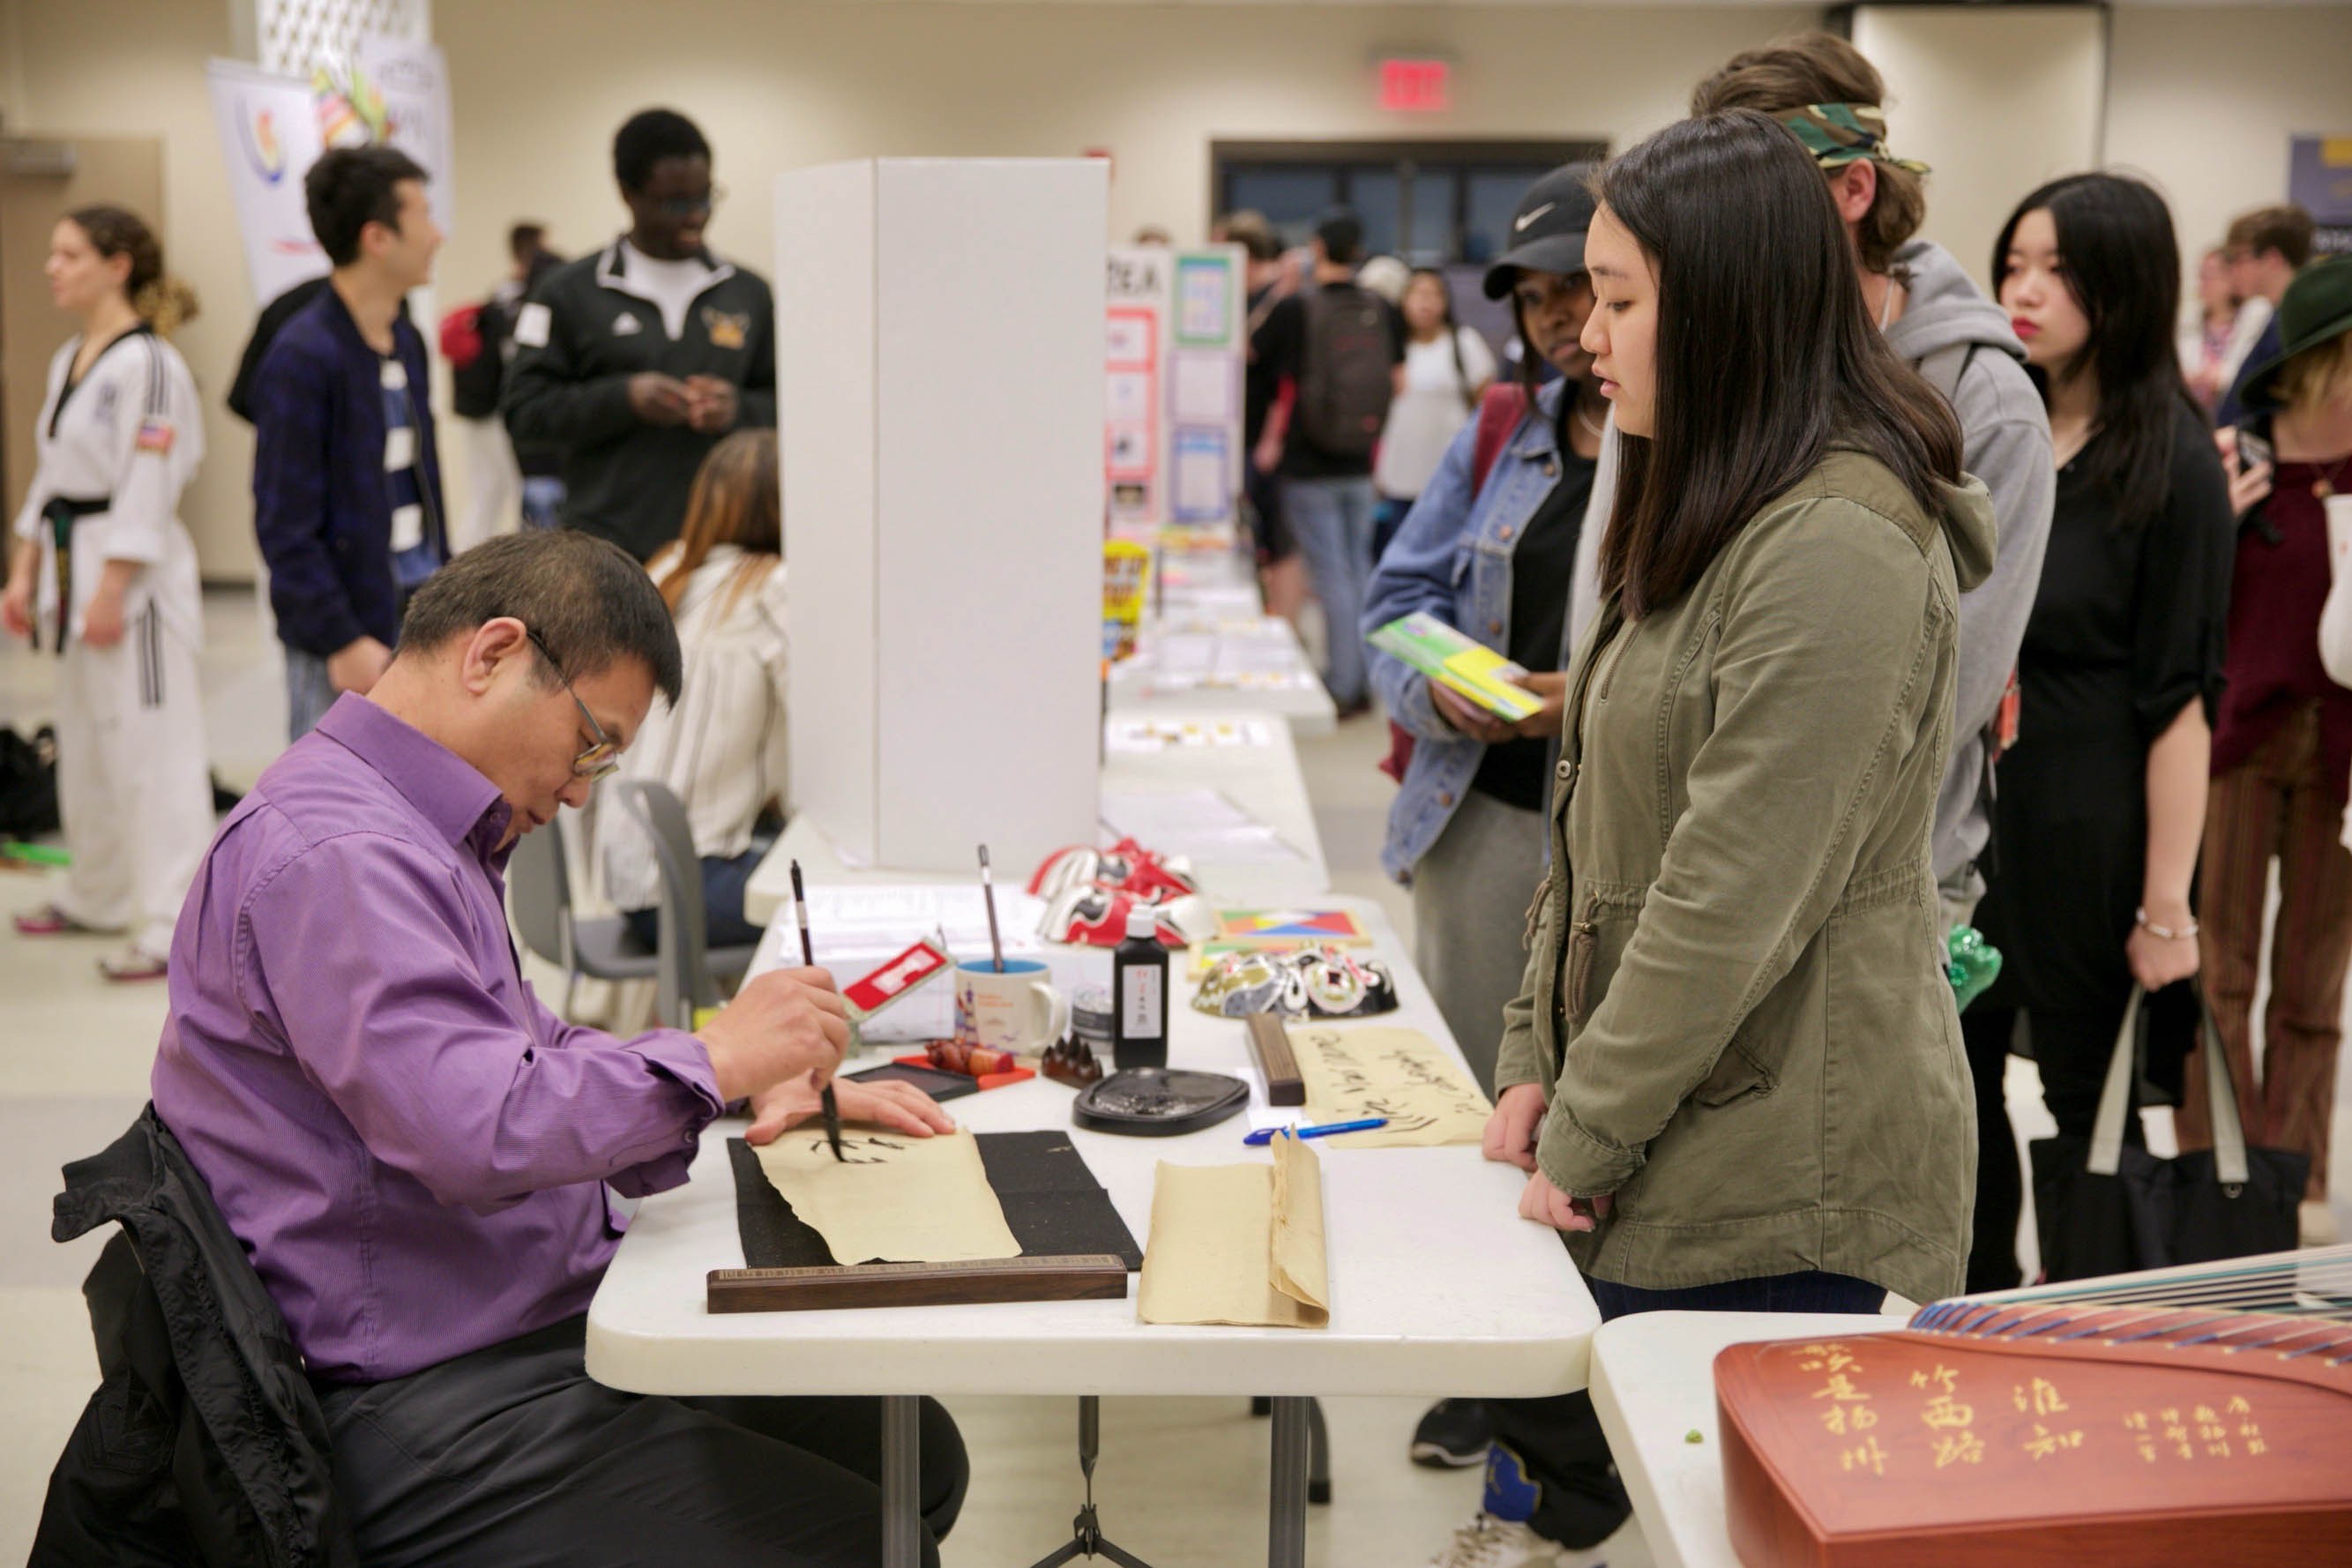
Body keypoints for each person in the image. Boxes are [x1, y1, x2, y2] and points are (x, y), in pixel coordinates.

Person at [148, 530, 970, 1566]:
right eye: (591, 742)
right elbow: (475, 1125)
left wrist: (727, 1078)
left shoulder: (411, 825)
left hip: (509, 1311)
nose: (583, 791)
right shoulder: (342, 854)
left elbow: (522, 1051)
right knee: (867, 1537)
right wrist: (711, 1060)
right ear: (492, 652)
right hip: (407, 1393)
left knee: (915, 1455)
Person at [1432, 110, 1990, 1568]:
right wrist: (1531, 1054)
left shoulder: (1839, 544)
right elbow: (1595, 825)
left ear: (1731, 300)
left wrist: (1592, 1121)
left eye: (1618, 299)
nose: (1588, 336)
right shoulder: (1705, 499)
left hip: (1786, 1180)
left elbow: (1727, 893)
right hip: (1670, 1129)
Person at [1364, 172, 1613, 1482]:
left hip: (1619, 840)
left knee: (1597, 1112)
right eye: (1537, 294)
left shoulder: (1687, 439)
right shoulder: (1504, 428)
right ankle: (1480, 1369)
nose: (1564, 317)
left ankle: (1574, 1381)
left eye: (1584, 286)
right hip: (1480, 815)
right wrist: (1445, 685)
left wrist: (1591, 702)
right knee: (1475, 1107)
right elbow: (1396, 593)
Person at [1964, 174, 2236, 1291]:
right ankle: (1971, 1313)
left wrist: (2167, 907)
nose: (2023, 290)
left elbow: (2182, 702)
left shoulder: (2171, 456)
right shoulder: (2004, 424)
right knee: (1960, 1086)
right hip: (1979, 819)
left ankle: (2089, 1334)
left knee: (2094, 1106)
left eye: (2057, 269)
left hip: (2096, 827)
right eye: (2015, 262)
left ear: (2120, 287)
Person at [2181, 254, 2352, 1247]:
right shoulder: (2235, 454)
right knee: (2222, 967)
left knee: (2315, 977)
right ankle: (2221, 1172)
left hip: (2343, 750)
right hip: (2240, 736)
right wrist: (2220, 522)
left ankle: (2298, 1178)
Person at [1, 205, 213, 982]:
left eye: (69, 254)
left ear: (117, 265)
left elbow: (149, 485)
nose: (52, 267)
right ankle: (97, 891)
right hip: (69, 564)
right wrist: (23, 571)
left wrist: (112, 587)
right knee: (86, 743)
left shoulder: (149, 363)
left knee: (153, 749)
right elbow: (52, 478)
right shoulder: (69, 359)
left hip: (135, 585)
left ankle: (172, 922)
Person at [504, 108, 777, 564]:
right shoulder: (569, 292)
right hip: (607, 551)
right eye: (674, 202)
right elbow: (524, 414)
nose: (694, 217)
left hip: (729, 549)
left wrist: (738, 409)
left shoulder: (749, 293)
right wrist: (623, 398)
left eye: (705, 198)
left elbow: (791, 407)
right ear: (628, 194)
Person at [250, 145, 449, 742]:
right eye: (423, 216)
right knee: (332, 809)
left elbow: (418, 482)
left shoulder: (404, 339)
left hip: (415, 609)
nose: (438, 235)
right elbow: (284, 523)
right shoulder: (302, 355)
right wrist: (339, 635)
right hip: (345, 628)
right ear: (377, 237)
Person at [596, 429, 788, 950]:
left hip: (630, 878)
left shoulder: (667, 569)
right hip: (692, 884)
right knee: (852, 898)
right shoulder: (775, 587)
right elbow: (826, 737)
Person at [1251, 208, 1407, 715]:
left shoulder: (1298, 307)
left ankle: (1344, 684)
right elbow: (1397, 383)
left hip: (1308, 462)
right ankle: (1361, 676)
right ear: (1358, 251)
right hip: (1360, 460)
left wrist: (1282, 287)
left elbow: (1252, 350)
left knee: (1331, 574)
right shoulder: (1381, 308)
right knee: (1359, 569)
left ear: (1317, 248)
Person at [442, 222, 560, 551]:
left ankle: (466, 566)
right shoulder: (520, 301)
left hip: (480, 410)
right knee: (503, 493)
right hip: (496, 414)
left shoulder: (500, 297)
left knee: (489, 494)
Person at [1372, 266, 1497, 562]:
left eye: (1433, 294)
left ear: (1445, 302)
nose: (1425, 303)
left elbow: (1486, 407)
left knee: (1446, 558)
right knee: (1399, 558)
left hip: (1450, 476)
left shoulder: (1464, 343)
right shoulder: (1390, 347)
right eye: (1417, 294)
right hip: (1398, 476)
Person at [1219, 208, 1306, 621]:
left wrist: (1272, 439)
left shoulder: (1282, 302)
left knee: (1278, 537)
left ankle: (1284, 624)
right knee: (1249, 534)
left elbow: (1282, 378)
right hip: (1236, 433)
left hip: (1265, 438)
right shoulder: (1236, 297)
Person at [2216, 203, 2316, 426]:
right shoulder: (2278, 318)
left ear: (2273, 259)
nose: (2233, 270)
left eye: (2240, 258)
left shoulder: (2291, 328)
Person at [2180, 245, 2270, 414]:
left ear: (2231, 277)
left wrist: (2216, 378)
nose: (2203, 284)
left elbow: (2250, 371)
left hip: (2234, 413)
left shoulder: (2253, 318)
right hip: (2192, 415)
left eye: (2210, 276)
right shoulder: (2187, 324)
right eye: (2201, 276)